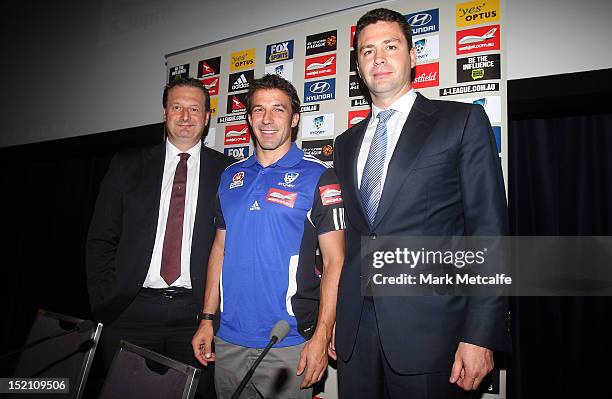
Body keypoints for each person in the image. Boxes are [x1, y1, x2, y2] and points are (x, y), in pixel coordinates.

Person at [331, 8, 510, 399]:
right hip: (355, 336)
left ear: (413, 57)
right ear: (358, 67)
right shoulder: (344, 145)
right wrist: (336, 324)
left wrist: (481, 333)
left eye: (390, 46)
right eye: (367, 51)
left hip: (434, 337)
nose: (378, 58)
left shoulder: (461, 121)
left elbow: (489, 234)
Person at [191, 74, 345, 399]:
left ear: (295, 118)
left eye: (278, 109)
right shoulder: (230, 176)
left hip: (288, 342)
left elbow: (335, 261)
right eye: (259, 110)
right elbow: (219, 249)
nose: (268, 119)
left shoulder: (319, 175)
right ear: (248, 119)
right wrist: (207, 318)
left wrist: (322, 333)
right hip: (229, 339)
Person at [86, 77, 232, 398]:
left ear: (207, 117)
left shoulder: (228, 172)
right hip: (130, 312)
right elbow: (101, 239)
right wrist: (105, 300)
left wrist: (212, 312)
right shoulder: (128, 164)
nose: (185, 116)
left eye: (194, 109)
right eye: (176, 107)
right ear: (165, 112)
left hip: (196, 317)